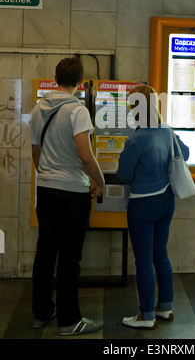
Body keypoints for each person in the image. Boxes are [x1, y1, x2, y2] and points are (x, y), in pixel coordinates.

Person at [30, 57, 105, 336]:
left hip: (45, 190)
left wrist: (48, 174)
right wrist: (99, 180)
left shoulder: (38, 108)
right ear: (81, 83)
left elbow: (35, 152)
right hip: (72, 192)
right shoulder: (78, 110)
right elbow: (85, 155)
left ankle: (41, 313)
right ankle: (69, 320)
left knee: (45, 252)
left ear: (54, 77)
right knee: (70, 257)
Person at [116, 85, 189, 328]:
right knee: (161, 254)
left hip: (142, 205)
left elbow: (124, 174)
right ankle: (165, 308)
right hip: (167, 201)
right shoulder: (166, 130)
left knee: (143, 260)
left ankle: (146, 315)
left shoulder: (136, 139)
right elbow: (185, 153)